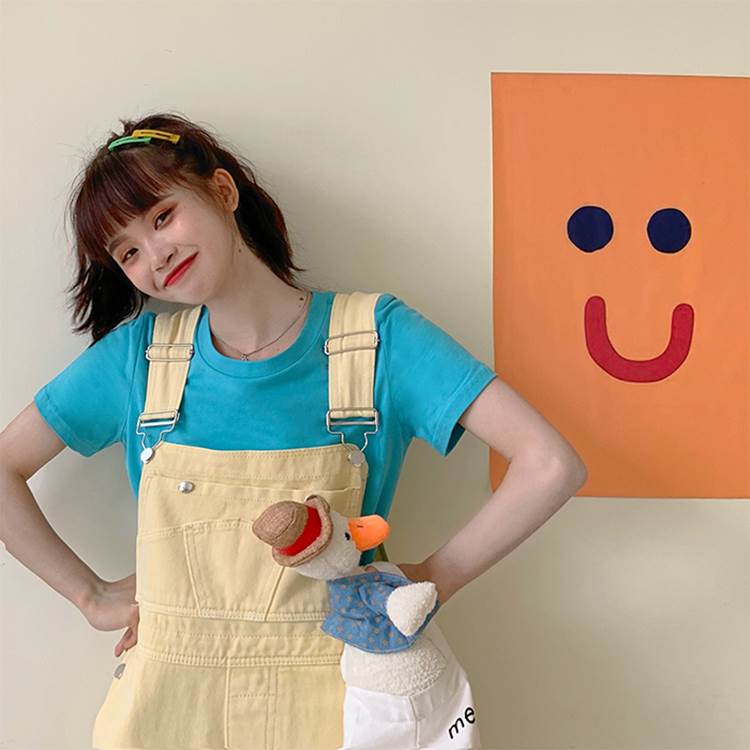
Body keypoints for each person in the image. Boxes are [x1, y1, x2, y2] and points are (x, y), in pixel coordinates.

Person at [0, 111, 587, 749]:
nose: (156, 254)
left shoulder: (376, 339)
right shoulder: (137, 359)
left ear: (222, 191)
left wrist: (433, 578)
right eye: (128, 252)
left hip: (340, 702)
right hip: (169, 711)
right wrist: (90, 596)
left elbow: (549, 464)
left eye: (163, 216)